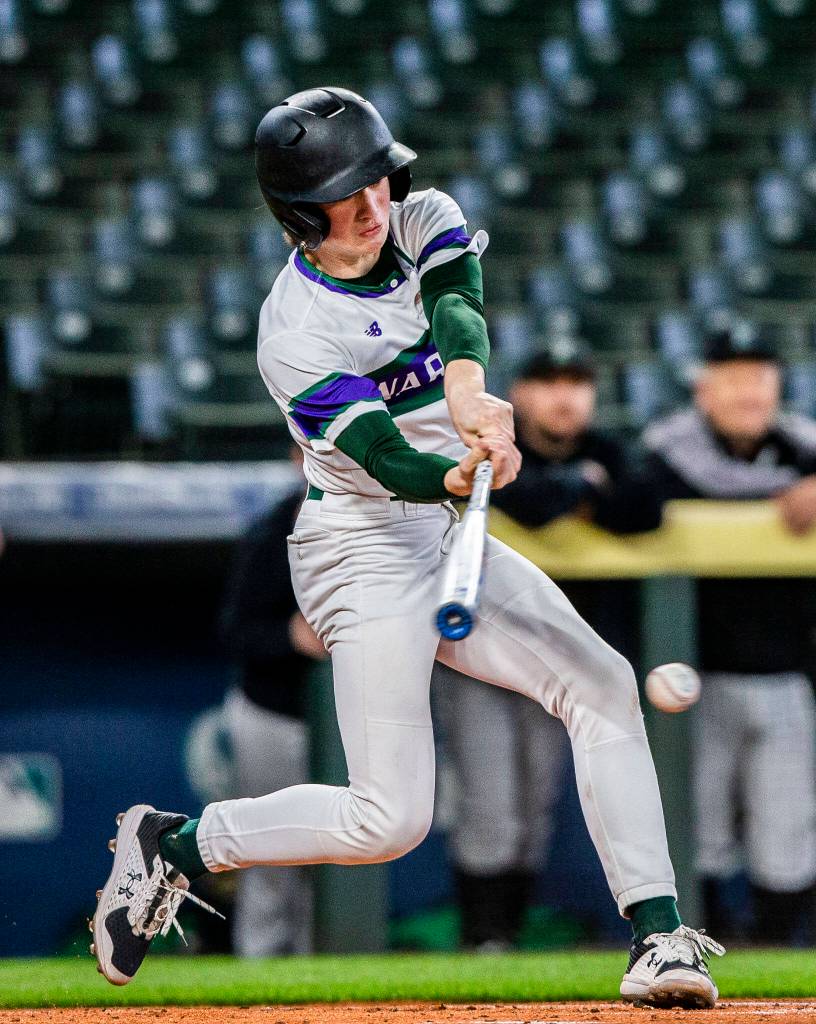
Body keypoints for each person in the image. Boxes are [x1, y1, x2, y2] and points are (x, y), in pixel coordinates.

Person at [91, 86, 724, 1006]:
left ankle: (660, 937)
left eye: (380, 179)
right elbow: (382, 455)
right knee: (386, 821)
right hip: (360, 546)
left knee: (600, 685)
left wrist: (468, 400)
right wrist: (452, 475)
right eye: (351, 192)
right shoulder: (294, 334)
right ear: (299, 213)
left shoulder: (423, 213)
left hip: (444, 527)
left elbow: (458, 310)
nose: (376, 203)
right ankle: (176, 845)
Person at [437, 337, 662, 949]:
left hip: (557, 669)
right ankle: (483, 940)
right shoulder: (494, 445)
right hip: (479, 658)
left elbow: (647, 507)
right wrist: (581, 487)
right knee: (491, 807)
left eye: (577, 382)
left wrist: (582, 483)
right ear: (522, 393)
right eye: (548, 383)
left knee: (533, 808)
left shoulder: (606, 448)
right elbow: (529, 502)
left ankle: (503, 939)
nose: (564, 397)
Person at [643, 327, 816, 945]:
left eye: (760, 374)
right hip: (694, 675)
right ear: (704, 386)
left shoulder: (801, 446)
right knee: (700, 825)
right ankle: (697, 946)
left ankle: (778, 958)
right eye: (734, 375)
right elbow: (636, 500)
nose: (749, 390)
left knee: (788, 827)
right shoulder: (668, 449)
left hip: (787, 671)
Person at [214, 455, 326, 956]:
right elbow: (236, 632)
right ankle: (257, 980)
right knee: (271, 858)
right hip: (274, 714)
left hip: (347, 726)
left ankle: (321, 981)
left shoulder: (386, 526)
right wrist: (290, 635)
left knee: (334, 863)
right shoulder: (275, 529)